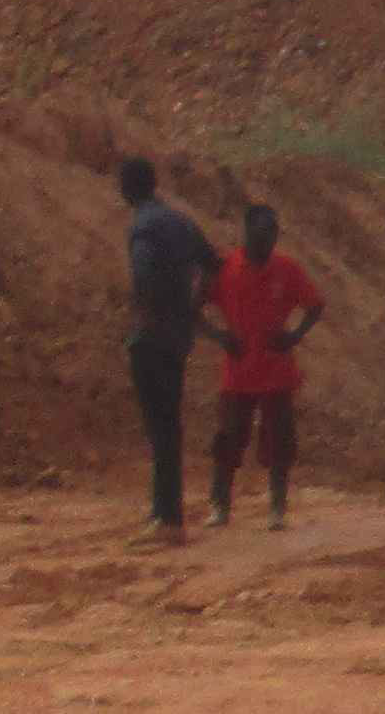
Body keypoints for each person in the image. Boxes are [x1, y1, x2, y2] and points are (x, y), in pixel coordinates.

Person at [205, 200, 327, 529]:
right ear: (247, 232)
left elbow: (315, 305)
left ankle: (277, 507)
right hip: (238, 372)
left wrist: (295, 335)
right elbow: (194, 307)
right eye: (262, 235)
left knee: (279, 442)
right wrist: (219, 336)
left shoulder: (287, 269)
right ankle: (219, 505)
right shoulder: (226, 269)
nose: (268, 242)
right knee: (228, 439)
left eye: (272, 235)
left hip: (276, 372)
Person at [116, 156, 216, 543]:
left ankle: (167, 518)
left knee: (159, 427)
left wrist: (144, 318)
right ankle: (166, 514)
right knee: (169, 424)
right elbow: (212, 265)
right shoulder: (180, 221)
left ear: (127, 188)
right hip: (177, 337)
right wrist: (192, 308)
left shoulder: (143, 226)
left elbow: (142, 276)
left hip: (152, 337)